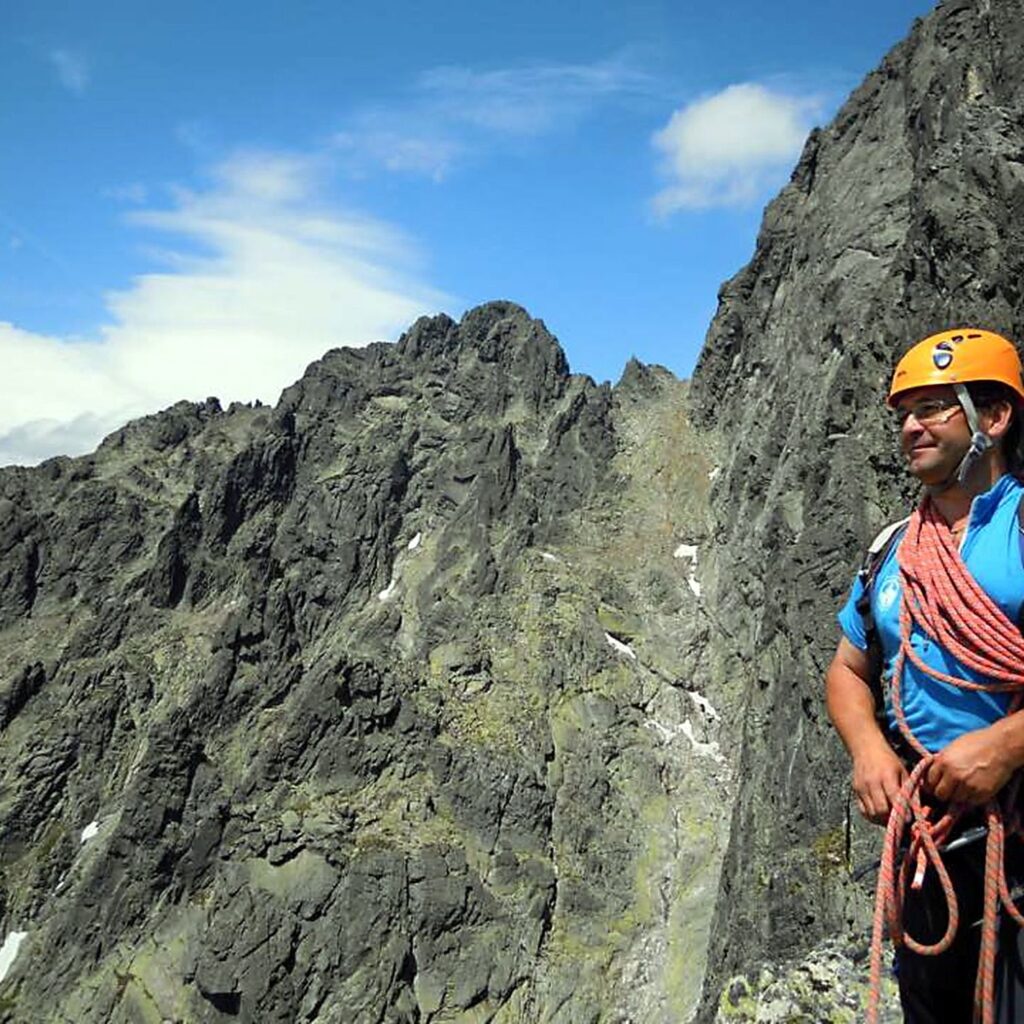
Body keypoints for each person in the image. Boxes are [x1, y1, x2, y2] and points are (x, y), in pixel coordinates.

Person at [825, 327, 1024, 1024]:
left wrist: (1004, 746)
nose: (910, 427)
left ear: (993, 418)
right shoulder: (892, 551)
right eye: (904, 413)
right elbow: (849, 671)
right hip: (931, 841)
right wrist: (870, 750)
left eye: (934, 407)